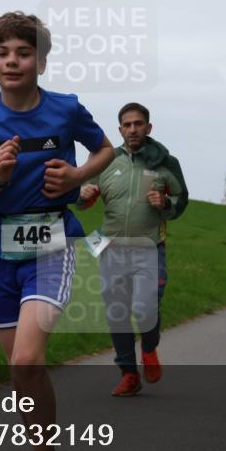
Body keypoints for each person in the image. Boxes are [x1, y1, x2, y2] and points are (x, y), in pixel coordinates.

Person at [0, 12, 114, 451]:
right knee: (22, 372)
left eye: (24, 53)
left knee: (27, 360)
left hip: (53, 244)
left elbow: (105, 149)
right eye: (2, 53)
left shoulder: (64, 109)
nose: (13, 61)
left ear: (41, 62)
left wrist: (77, 175)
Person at [77, 103, 188, 397]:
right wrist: (83, 194)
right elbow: (81, 197)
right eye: (127, 125)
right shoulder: (105, 160)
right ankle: (128, 374)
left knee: (145, 306)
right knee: (118, 313)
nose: (133, 129)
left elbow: (181, 200)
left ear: (148, 127)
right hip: (111, 248)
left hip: (149, 247)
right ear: (120, 130)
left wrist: (165, 203)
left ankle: (149, 349)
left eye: (138, 124)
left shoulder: (166, 162)